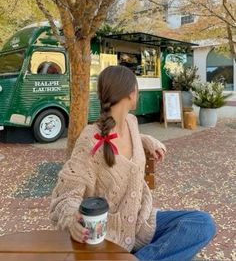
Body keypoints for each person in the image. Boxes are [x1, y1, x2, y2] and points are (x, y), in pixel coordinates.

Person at [50, 65, 216, 261]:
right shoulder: (90, 140)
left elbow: (129, 138)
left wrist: (147, 140)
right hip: (108, 237)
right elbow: (65, 195)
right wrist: (71, 219)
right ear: (131, 93)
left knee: (203, 224)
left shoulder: (131, 122)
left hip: (141, 223)